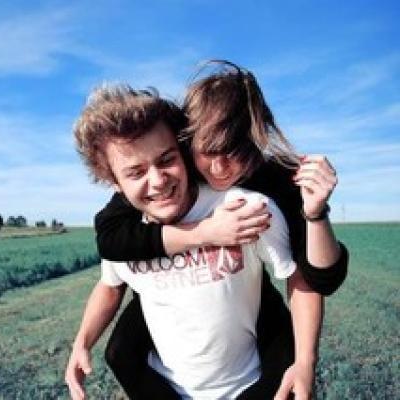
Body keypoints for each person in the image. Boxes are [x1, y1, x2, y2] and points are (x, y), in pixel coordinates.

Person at [93, 61, 348, 399]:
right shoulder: (170, 166)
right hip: (172, 292)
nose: (219, 167)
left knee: (275, 346)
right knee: (119, 352)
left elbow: (321, 278)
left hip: (247, 293)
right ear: (188, 140)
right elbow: (110, 236)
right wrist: (205, 233)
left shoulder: (274, 181)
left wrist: (316, 214)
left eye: (235, 152)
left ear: (256, 141)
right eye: (208, 151)